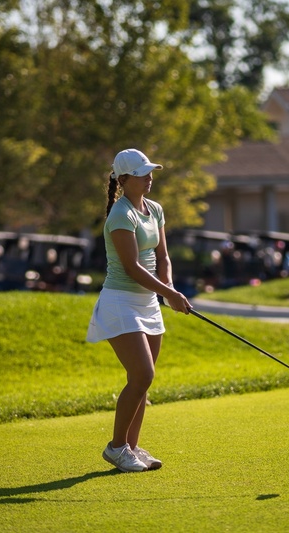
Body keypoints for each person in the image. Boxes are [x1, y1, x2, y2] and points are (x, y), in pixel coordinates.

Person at [87, 148, 192, 473]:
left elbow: (163, 257)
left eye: (150, 172)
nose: (149, 178)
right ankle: (116, 447)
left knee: (142, 381)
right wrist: (169, 294)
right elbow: (132, 267)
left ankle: (130, 448)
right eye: (141, 174)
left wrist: (169, 288)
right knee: (143, 374)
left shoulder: (155, 209)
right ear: (123, 180)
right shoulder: (121, 215)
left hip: (148, 303)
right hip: (121, 302)